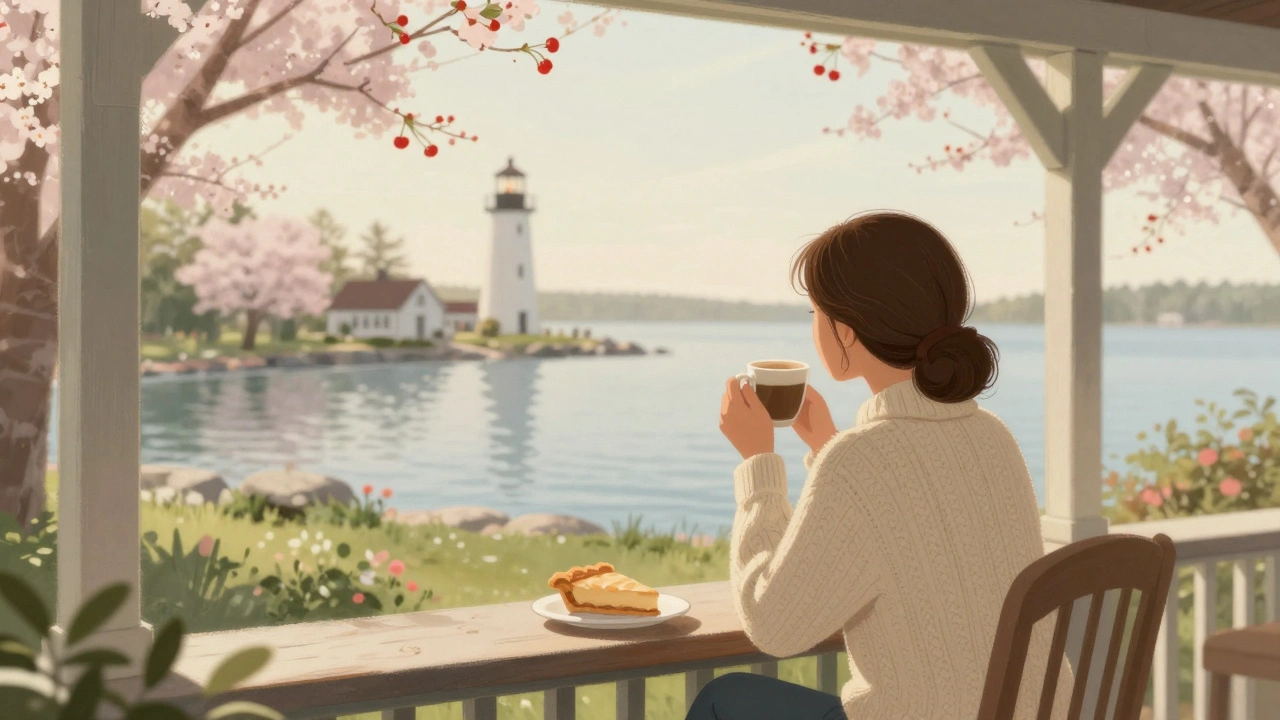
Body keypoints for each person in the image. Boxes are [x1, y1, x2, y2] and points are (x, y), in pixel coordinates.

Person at [692, 212, 1072, 720]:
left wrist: (759, 463)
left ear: (846, 332)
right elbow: (913, 533)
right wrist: (827, 446)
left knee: (724, 699)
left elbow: (774, 626)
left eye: (815, 313)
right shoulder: (992, 436)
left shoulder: (859, 461)